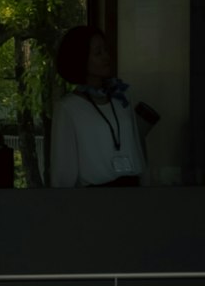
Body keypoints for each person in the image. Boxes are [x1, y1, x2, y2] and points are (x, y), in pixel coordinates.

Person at [48, 25, 151, 186]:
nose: (106, 57)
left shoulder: (122, 98)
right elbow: (63, 171)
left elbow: (137, 148)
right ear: (81, 59)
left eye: (105, 50)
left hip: (133, 191)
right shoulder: (69, 108)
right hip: (95, 197)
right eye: (98, 53)